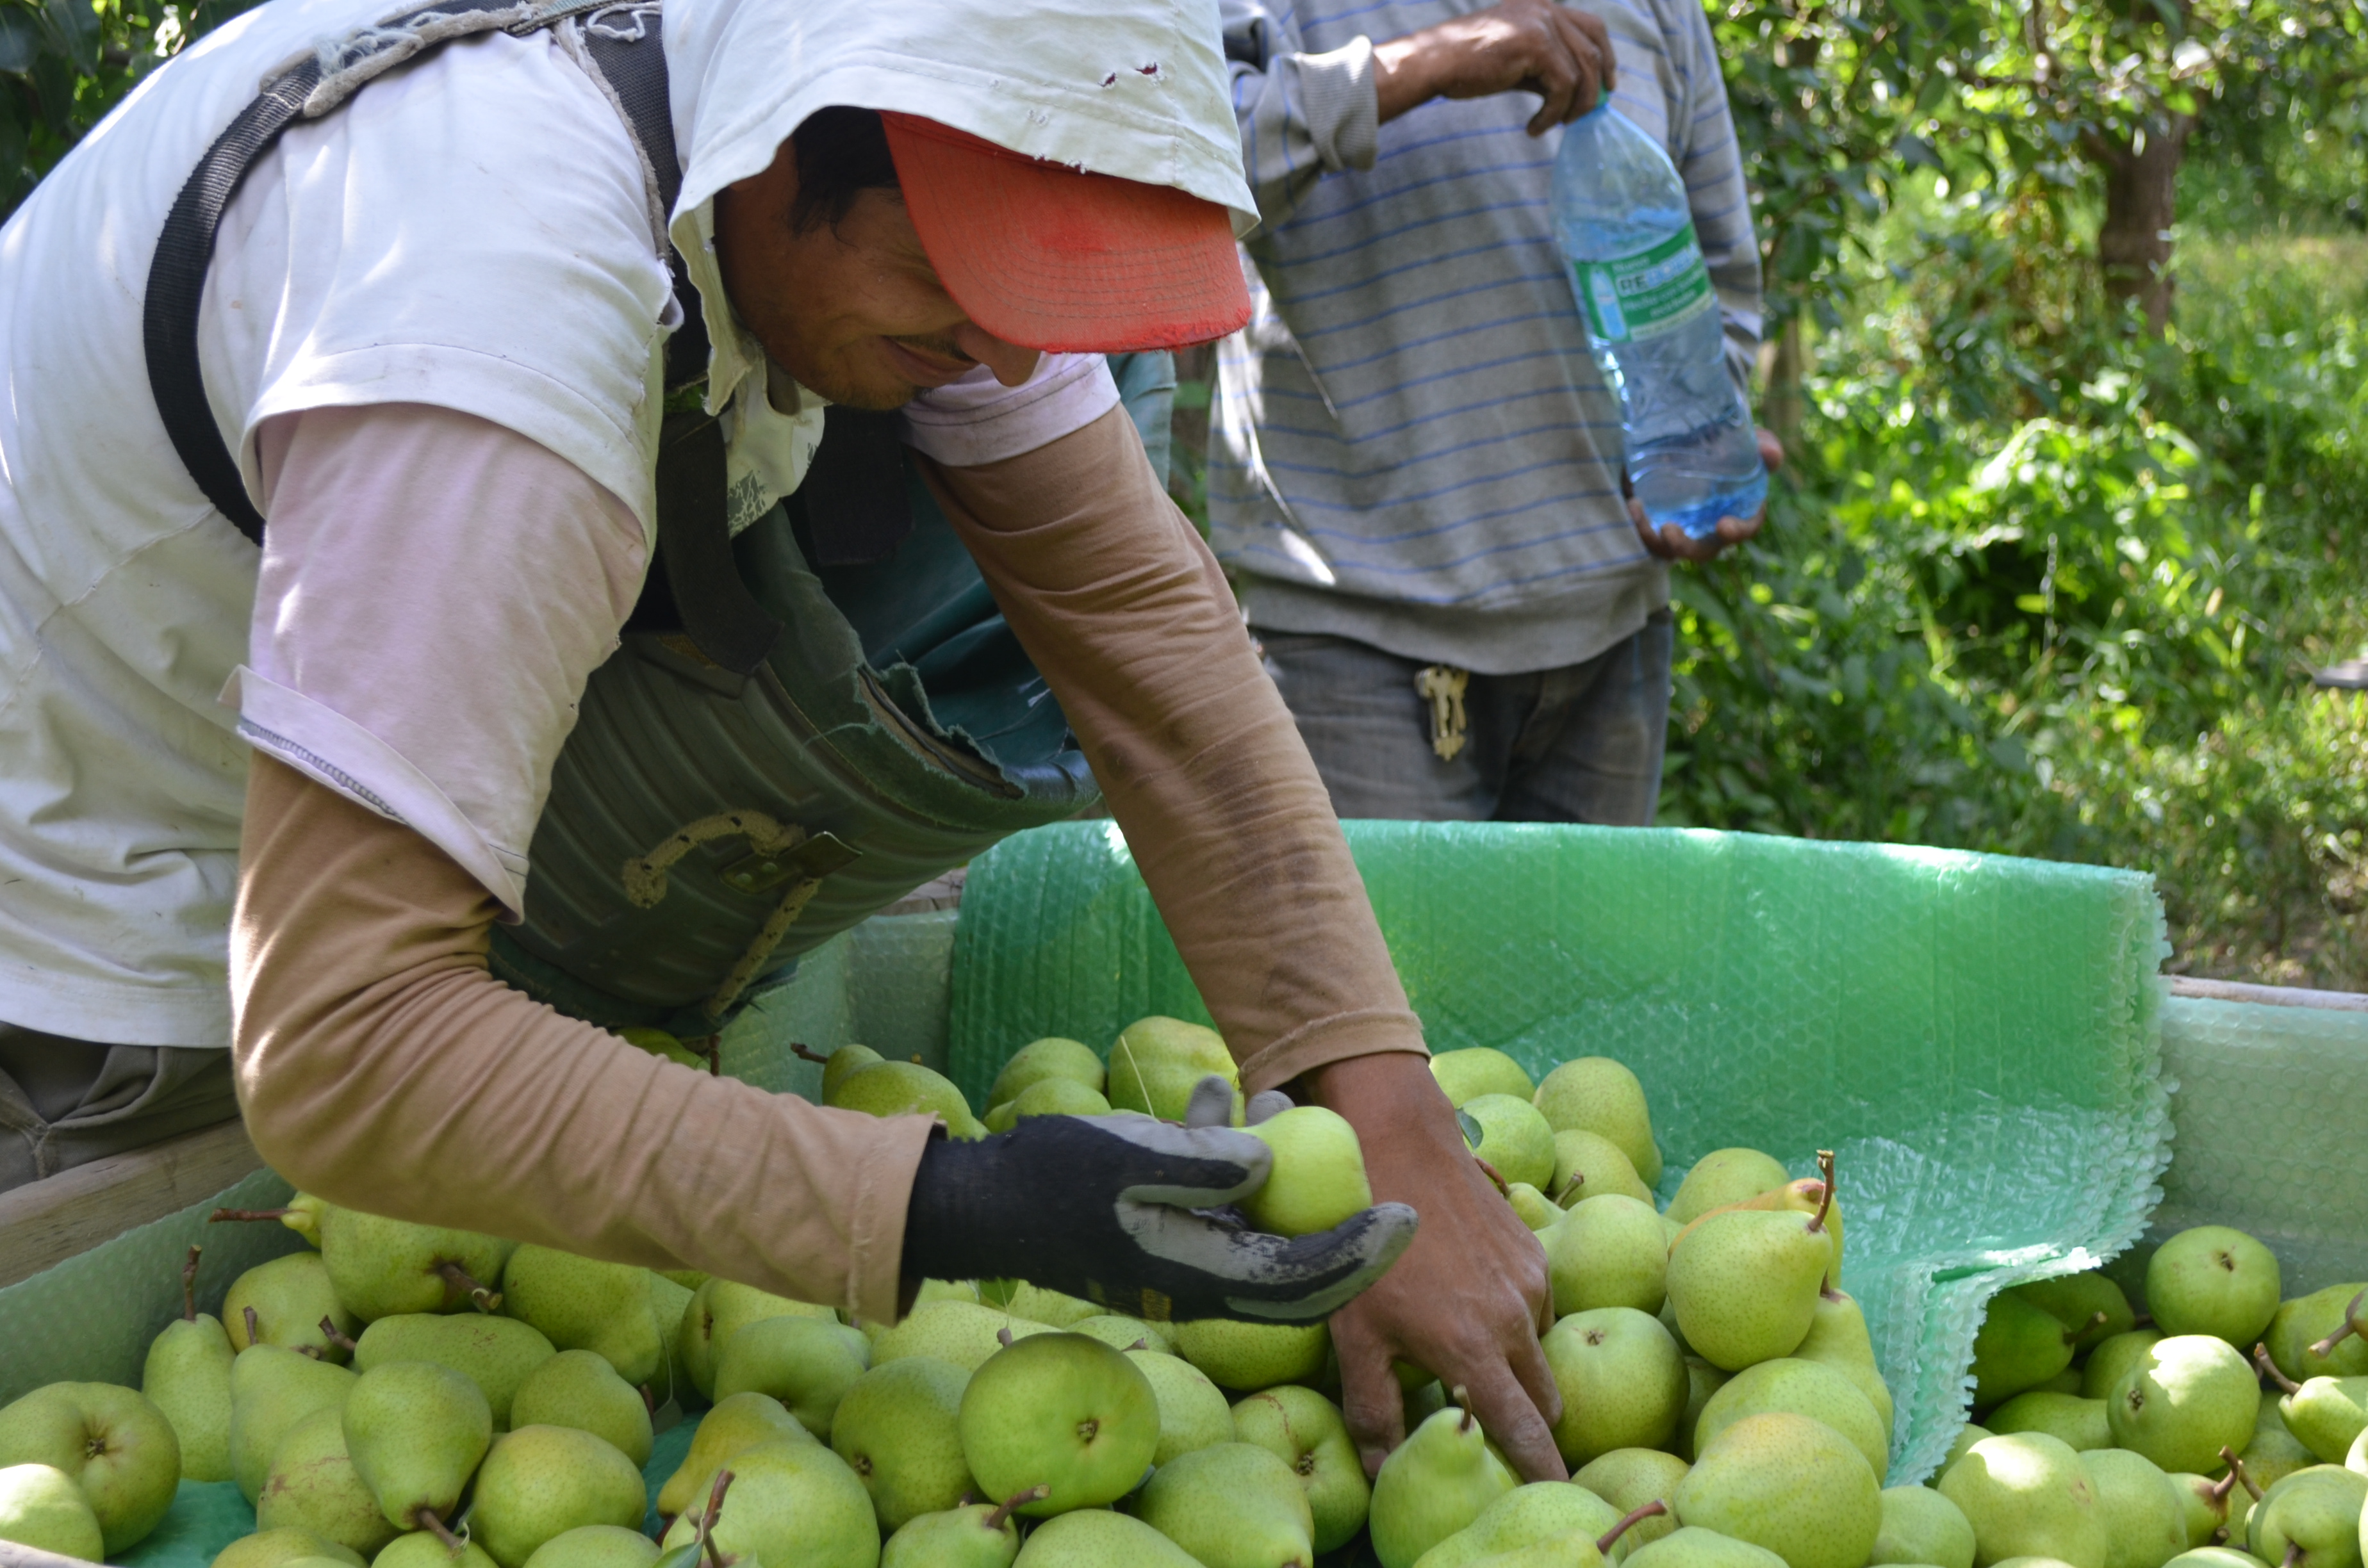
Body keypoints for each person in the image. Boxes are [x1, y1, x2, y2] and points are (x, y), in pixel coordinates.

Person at [0, 0, 1569, 1480]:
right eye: (970, 278)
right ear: (787, 131)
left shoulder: (817, 131)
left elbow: (1139, 624)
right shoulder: (495, 300)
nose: (1012, 355)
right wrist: (954, 1209)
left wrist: (1385, 1109)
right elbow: (343, 1046)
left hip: (319, 826)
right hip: (90, 921)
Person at [1213, 0, 1780, 827]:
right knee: (1376, 965)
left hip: (1611, 642)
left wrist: (1687, 451)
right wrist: (1425, 67)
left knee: (1583, 966)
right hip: (1353, 648)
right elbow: (1181, 157)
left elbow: (1720, 272)